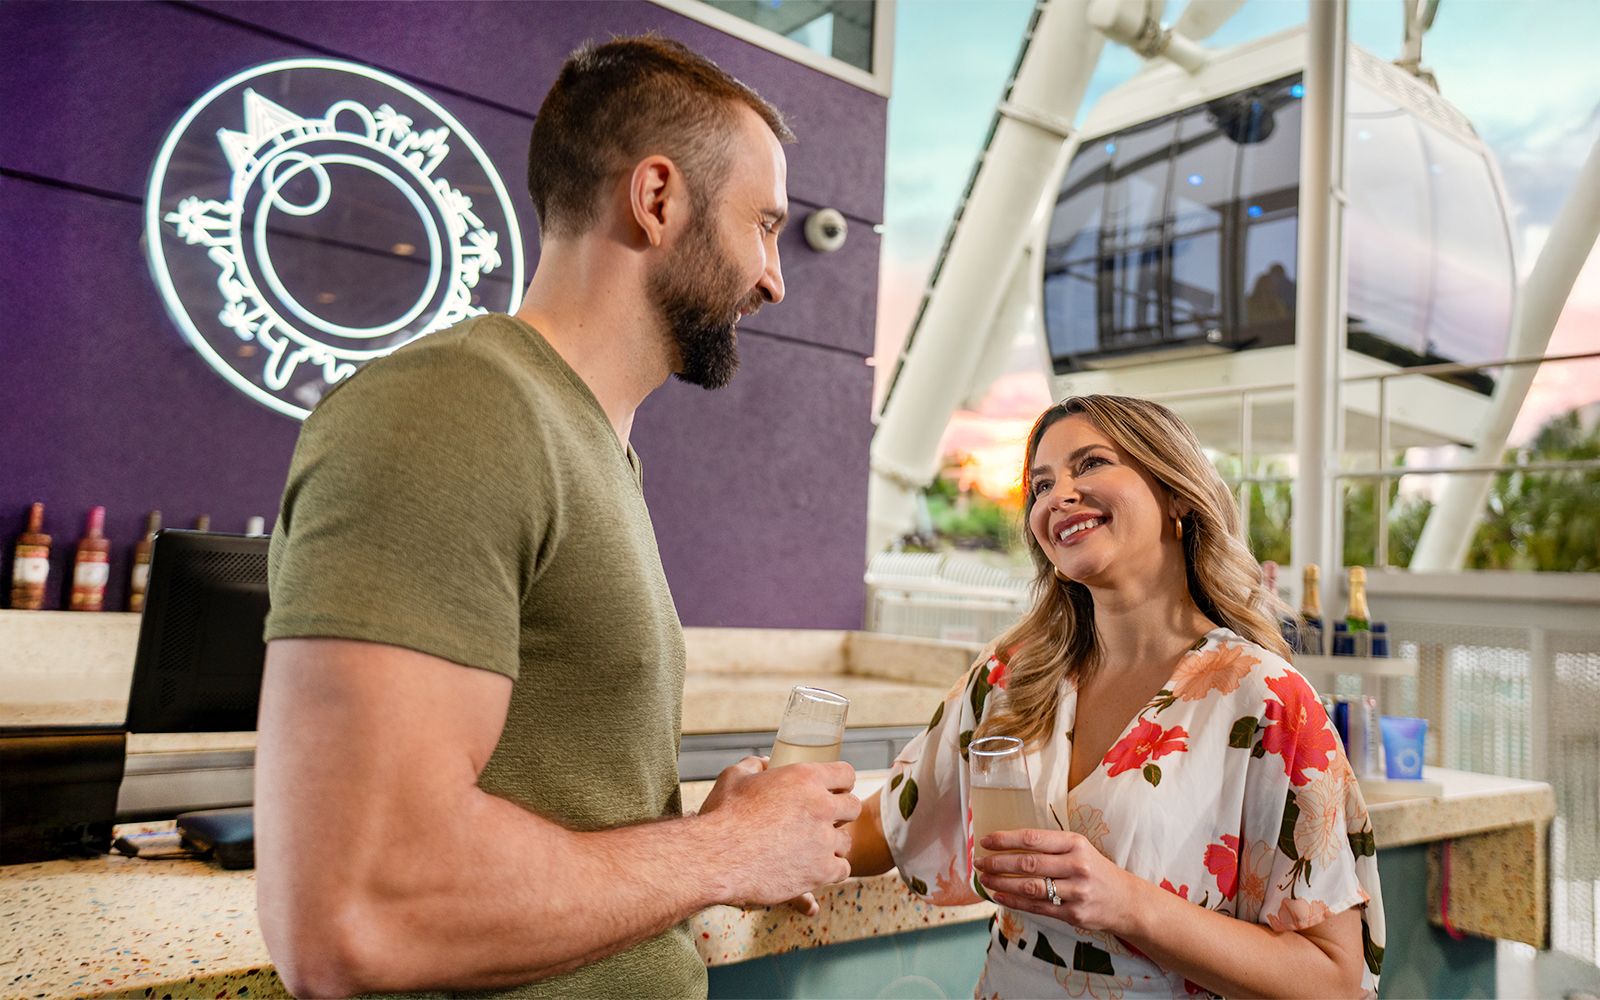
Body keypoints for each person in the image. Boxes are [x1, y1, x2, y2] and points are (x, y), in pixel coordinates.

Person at [253, 36, 860, 999]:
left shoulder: (587, 444)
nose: (773, 279)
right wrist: (726, 851)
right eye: (765, 225)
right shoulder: (456, 410)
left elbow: (545, 810)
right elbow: (356, 912)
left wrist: (693, 835)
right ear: (657, 199)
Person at [844, 395, 1384, 999]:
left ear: (1176, 493)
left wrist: (1126, 904)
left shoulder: (1266, 701)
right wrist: (759, 828)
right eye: (1041, 484)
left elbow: (1335, 980)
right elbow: (885, 822)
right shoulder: (1012, 673)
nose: (1058, 495)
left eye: (1091, 464)